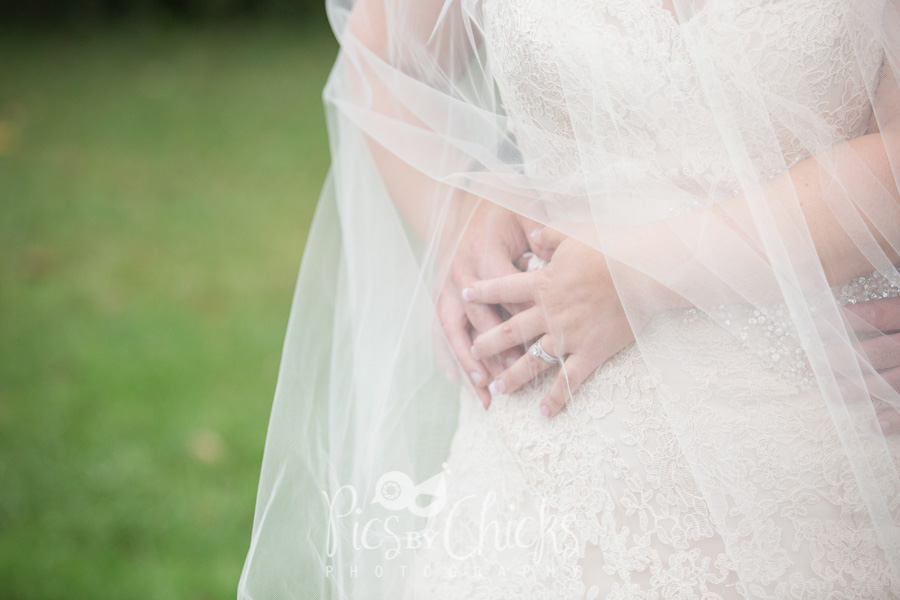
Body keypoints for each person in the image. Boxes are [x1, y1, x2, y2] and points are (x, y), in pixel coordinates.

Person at [238, 0, 900, 597]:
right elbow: (380, 57)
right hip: (549, 436)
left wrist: (635, 275)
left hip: (818, 430)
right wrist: (462, 207)